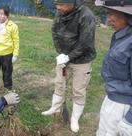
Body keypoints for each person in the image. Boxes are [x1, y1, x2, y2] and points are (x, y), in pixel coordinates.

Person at [41, 0, 96, 133]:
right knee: (59, 83)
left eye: (61, 5)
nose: (58, 8)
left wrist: (69, 57)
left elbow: (86, 42)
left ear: (71, 3)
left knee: (78, 90)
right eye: (57, 5)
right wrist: (61, 53)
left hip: (82, 61)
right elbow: (54, 31)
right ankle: (55, 107)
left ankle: (74, 119)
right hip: (64, 58)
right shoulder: (61, 12)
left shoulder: (86, 15)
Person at [95, 0, 132, 136]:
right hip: (112, 98)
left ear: (127, 16)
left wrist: (129, 120)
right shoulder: (120, 35)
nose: (108, 19)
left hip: (124, 106)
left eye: (112, 14)